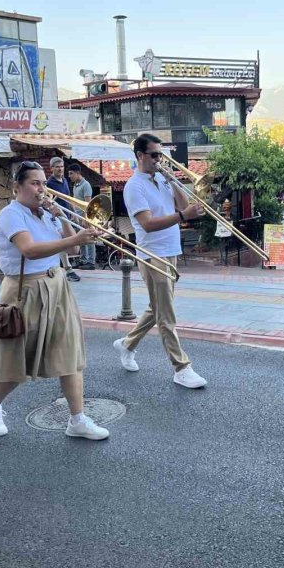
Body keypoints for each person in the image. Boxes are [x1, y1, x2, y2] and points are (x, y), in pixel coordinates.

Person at [0, 160, 109, 441]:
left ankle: (77, 419)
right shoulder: (11, 215)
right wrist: (71, 235)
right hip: (25, 290)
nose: (42, 189)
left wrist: (61, 216)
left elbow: (73, 248)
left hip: (57, 285)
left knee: (70, 353)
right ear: (17, 187)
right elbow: (30, 250)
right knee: (17, 361)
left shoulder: (48, 213)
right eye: (35, 183)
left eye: (44, 183)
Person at [113, 133, 207, 389]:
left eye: (161, 155)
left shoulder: (162, 180)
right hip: (152, 254)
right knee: (166, 314)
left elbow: (185, 205)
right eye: (155, 155)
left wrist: (174, 180)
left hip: (170, 249)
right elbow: (147, 224)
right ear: (140, 156)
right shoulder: (134, 186)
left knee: (158, 307)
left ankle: (128, 343)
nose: (159, 159)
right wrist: (181, 216)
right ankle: (181, 367)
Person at [45, 156, 80, 282]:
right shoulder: (49, 184)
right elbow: (48, 201)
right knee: (62, 240)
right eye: (57, 167)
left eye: (62, 166)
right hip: (56, 216)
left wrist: (74, 213)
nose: (60, 169)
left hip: (66, 215)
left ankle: (65, 268)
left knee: (66, 240)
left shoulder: (64, 181)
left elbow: (68, 198)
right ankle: (68, 268)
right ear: (51, 168)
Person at [68, 163, 96, 270]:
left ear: (78, 173)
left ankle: (91, 261)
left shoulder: (86, 185)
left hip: (85, 217)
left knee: (89, 239)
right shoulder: (75, 185)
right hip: (77, 216)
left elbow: (88, 204)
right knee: (82, 239)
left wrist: (86, 218)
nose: (69, 176)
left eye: (71, 174)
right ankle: (84, 260)